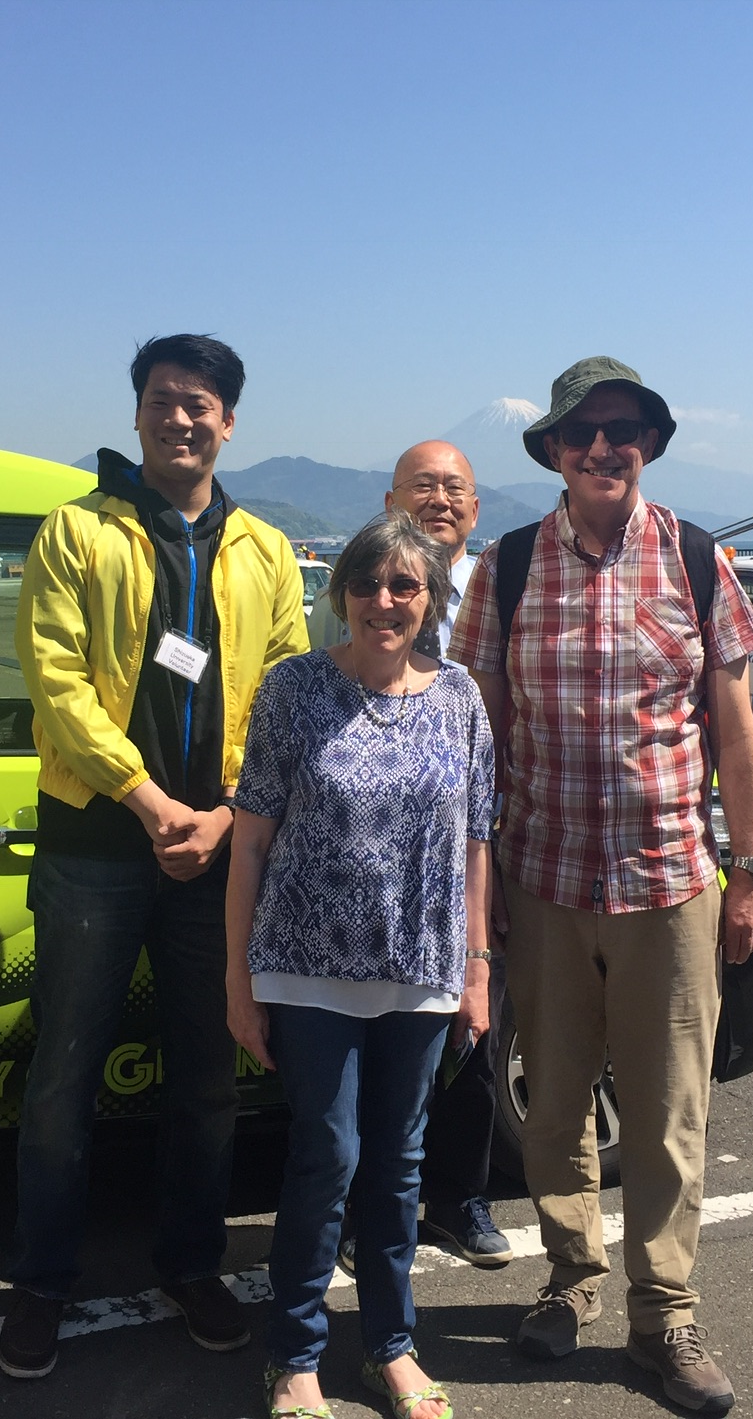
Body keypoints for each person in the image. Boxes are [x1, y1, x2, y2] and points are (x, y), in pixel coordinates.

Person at [450, 356, 753, 1417]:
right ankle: (572, 1275)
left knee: (671, 1108)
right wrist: (478, 881)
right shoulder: (502, 569)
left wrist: (751, 871)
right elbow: (481, 739)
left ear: (648, 444)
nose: (603, 447)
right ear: (551, 449)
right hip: (541, 880)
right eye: (583, 432)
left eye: (623, 429)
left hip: (672, 877)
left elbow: (732, 730)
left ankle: (663, 1313)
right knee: (551, 1103)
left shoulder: (693, 557)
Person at [0, 334, 309, 1380]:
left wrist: (222, 815)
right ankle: (42, 1279)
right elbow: (55, 678)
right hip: (97, 841)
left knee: (206, 1077)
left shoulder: (265, 549)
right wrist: (146, 798)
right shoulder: (76, 532)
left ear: (230, 423)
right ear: (137, 416)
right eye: (166, 401)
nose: (184, 419)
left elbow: (284, 687)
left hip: (219, 853)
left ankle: (190, 1262)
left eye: (203, 404)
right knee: (63, 1077)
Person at [226, 511, 495, 1419]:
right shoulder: (293, 689)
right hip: (306, 968)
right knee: (327, 1154)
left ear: (430, 598)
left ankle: (392, 1344)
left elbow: (475, 840)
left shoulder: (459, 696)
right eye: (367, 583)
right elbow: (251, 844)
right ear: (341, 592)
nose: (384, 601)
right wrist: (237, 980)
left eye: (405, 586)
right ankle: (294, 1353)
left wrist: (478, 965)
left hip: (418, 970)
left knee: (400, 1162)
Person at [314, 441, 514, 1271]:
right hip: (369, 856)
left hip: (467, 842)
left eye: (454, 488)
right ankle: (366, 1216)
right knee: (374, 1051)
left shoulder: (501, 591)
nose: (438, 498)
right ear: (391, 499)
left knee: (471, 1027)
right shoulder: (365, 591)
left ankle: (462, 1198)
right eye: (421, 485)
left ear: (475, 510)